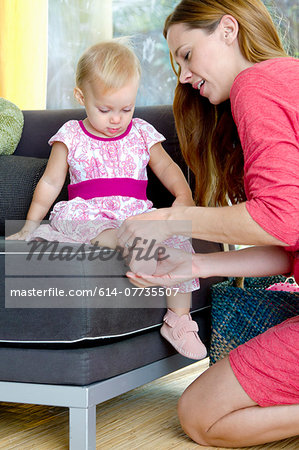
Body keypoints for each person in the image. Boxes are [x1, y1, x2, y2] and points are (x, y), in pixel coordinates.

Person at [116, 0, 299, 447]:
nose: (183, 75)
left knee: (200, 415)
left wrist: (168, 219)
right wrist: (196, 266)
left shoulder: (255, 83)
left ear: (228, 30)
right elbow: (289, 243)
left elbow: (283, 219)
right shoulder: (289, 75)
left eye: (186, 54)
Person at [6, 39, 207, 361]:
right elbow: (50, 182)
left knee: (178, 239)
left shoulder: (141, 131)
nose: (116, 119)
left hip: (135, 211)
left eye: (126, 109)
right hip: (87, 211)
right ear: (81, 97)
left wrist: (183, 197)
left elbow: (167, 167)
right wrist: (29, 226)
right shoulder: (70, 134)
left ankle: (179, 320)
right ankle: (134, 250)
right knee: (109, 231)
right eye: (105, 109)